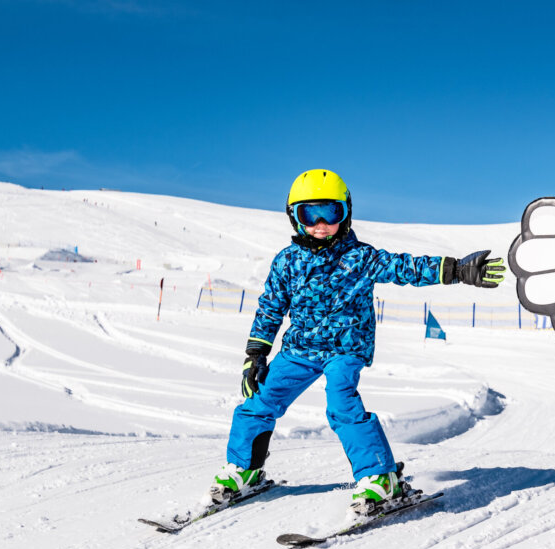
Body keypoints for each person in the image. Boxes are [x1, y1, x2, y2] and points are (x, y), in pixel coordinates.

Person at [208, 169, 505, 520]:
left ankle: (380, 478)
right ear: (294, 217)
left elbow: (405, 268)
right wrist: (256, 352)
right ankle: (245, 470)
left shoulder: (361, 257)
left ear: (345, 213)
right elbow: (271, 307)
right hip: (300, 349)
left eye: (330, 213)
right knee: (258, 402)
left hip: (346, 349)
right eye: (309, 214)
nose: (320, 224)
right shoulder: (286, 261)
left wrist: (457, 269)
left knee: (342, 405)